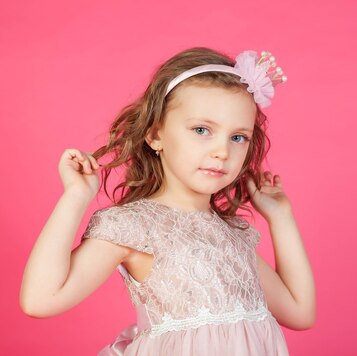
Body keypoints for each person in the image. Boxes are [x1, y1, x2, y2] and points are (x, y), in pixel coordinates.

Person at [20, 47, 316, 355]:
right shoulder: (134, 226)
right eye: (202, 130)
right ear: (155, 134)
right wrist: (75, 197)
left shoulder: (233, 234)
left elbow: (299, 312)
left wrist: (281, 218)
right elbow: (40, 300)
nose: (222, 151)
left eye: (238, 137)